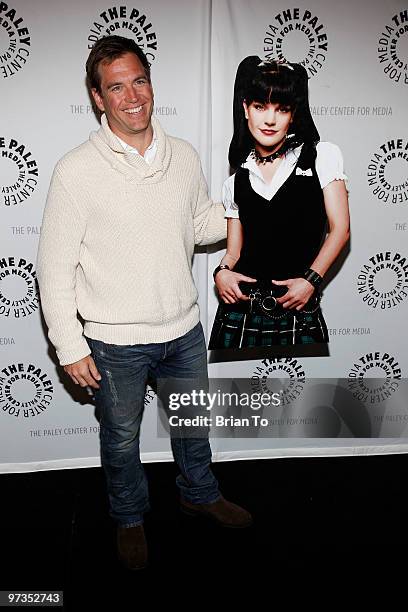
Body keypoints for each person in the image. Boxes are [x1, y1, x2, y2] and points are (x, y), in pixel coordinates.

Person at [36, 35, 252, 571]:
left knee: (192, 424)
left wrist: (249, 204)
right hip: (113, 343)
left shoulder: (183, 155)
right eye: (116, 87)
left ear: (150, 84)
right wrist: (69, 346)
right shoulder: (75, 170)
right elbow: (54, 267)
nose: (132, 96)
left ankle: (198, 492)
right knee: (121, 438)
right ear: (97, 97)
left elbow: (201, 224)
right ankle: (129, 517)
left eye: (139, 80)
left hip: (183, 328)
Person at [209, 57, 350, 350]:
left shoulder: (321, 157)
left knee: (309, 397)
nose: (270, 119)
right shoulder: (235, 180)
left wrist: (311, 280)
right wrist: (220, 273)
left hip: (300, 310)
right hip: (239, 313)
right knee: (237, 397)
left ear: (293, 114)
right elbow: (234, 252)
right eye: (260, 107)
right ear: (246, 108)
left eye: (281, 109)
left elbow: (340, 230)